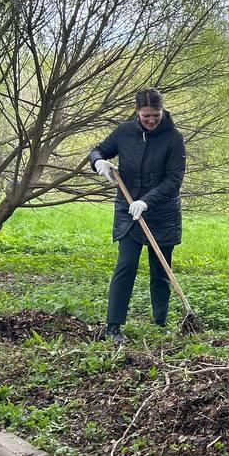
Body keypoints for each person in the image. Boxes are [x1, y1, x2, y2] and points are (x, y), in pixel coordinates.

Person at [89, 88, 186, 342]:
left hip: (162, 211)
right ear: (137, 112)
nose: (151, 121)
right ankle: (113, 326)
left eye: (155, 115)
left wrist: (146, 201)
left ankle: (160, 321)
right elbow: (98, 150)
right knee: (126, 264)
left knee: (160, 270)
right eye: (146, 117)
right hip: (128, 210)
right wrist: (99, 162)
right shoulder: (124, 132)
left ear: (162, 111)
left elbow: (174, 180)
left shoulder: (174, 138)